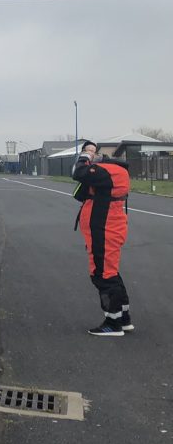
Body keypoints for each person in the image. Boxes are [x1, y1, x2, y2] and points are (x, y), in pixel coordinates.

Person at [72, 140, 133, 336]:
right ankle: (122, 319)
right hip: (105, 228)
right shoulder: (110, 173)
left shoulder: (110, 171)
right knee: (110, 272)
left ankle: (112, 323)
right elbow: (80, 193)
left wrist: (86, 155)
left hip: (104, 229)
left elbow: (79, 172)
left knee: (103, 275)